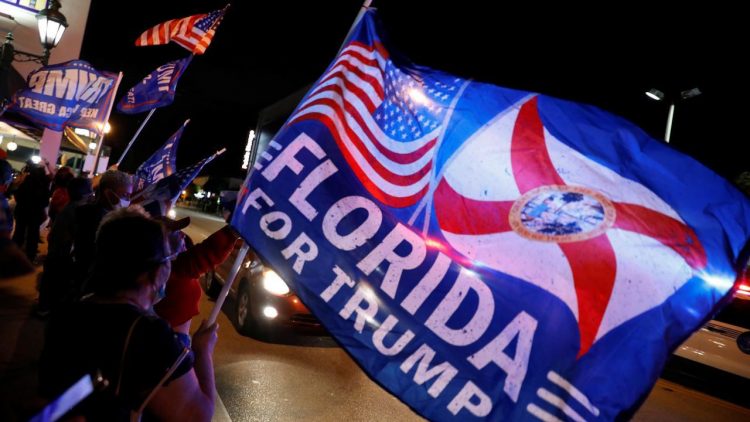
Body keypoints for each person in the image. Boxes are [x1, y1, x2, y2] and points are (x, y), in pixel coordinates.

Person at [39, 206, 218, 421]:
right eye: (168, 259)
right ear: (153, 272)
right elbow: (199, 415)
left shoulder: (68, 312)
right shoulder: (149, 335)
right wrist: (203, 351)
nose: (171, 264)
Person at [36, 177, 94, 315]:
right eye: (90, 191)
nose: (92, 194)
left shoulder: (70, 207)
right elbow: (70, 237)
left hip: (56, 255)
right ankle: (46, 310)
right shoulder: (75, 212)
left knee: (50, 283)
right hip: (60, 256)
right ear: (84, 194)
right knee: (55, 285)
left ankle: (44, 308)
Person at [72, 169, 132, 294]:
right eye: (125, 195)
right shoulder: (100, 219)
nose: (128, 200)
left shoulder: (88, 210)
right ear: (109, 194)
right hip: (88, 284)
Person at [11, 164, 50, 261]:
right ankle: (30, 256)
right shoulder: (43, 186)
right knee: (33, 235)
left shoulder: (25, 183)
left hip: (22, 212)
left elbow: (17, 196)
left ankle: (14, 254)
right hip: (35, 214)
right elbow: (45, 202)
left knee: (18, 233)